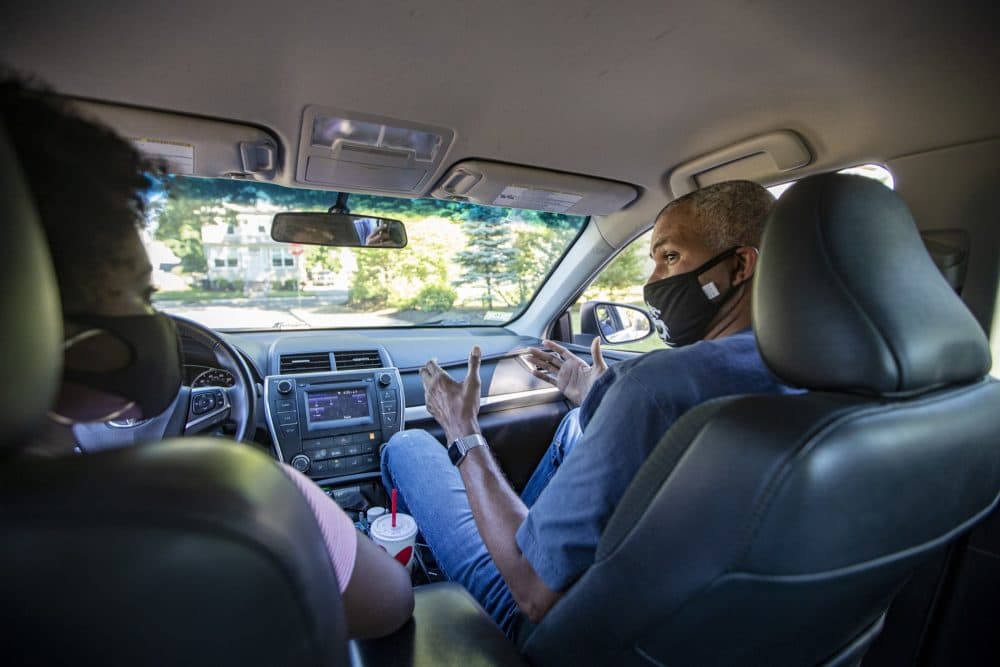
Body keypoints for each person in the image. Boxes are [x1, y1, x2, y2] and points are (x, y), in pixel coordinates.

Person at [1, 75, 414, 640]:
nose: (156, 325)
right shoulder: (237, 502)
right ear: (36, 324)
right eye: (144, 297)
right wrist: (281, 489)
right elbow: (390, 606)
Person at [381, 179, 799, 639]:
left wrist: (462, 430)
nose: (652, 281)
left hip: (548, 625)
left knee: (409, 445)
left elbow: (531, 589)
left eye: (671, 256)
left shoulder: (654, 387)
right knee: (570, 427)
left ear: (740, 265)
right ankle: (531, 526)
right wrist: (598, 395)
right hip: (706, 632)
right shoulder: (827, 380)